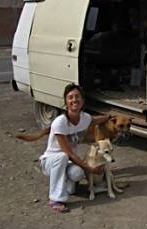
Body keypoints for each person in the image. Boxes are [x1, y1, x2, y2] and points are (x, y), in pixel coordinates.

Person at [39, 83, 111, 213]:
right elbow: (69, 153)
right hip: (50, 162)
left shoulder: (84, 118)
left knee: (78, 174)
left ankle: (66, 183)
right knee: (63, 156)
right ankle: (55, 199)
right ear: (66, 102)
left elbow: (94, 120)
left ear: (82, 100)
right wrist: (89, 168)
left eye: (77, 96)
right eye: (70, 97)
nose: (74, 100)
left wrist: (108, 117)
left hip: (68, 162)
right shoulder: (60, 122)